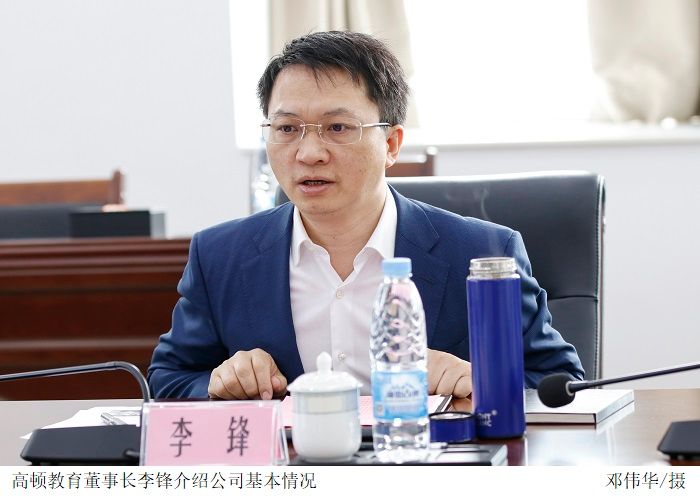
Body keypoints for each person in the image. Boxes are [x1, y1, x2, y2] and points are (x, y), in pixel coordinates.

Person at [148, 31, 584, 400]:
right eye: (287, 129)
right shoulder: (220, 255)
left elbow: (561, 383)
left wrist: (482, 384)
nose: (309, 153)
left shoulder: (482, 252)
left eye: (338, 128)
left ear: (391, 144)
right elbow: (169, 380)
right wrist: (219, 384)